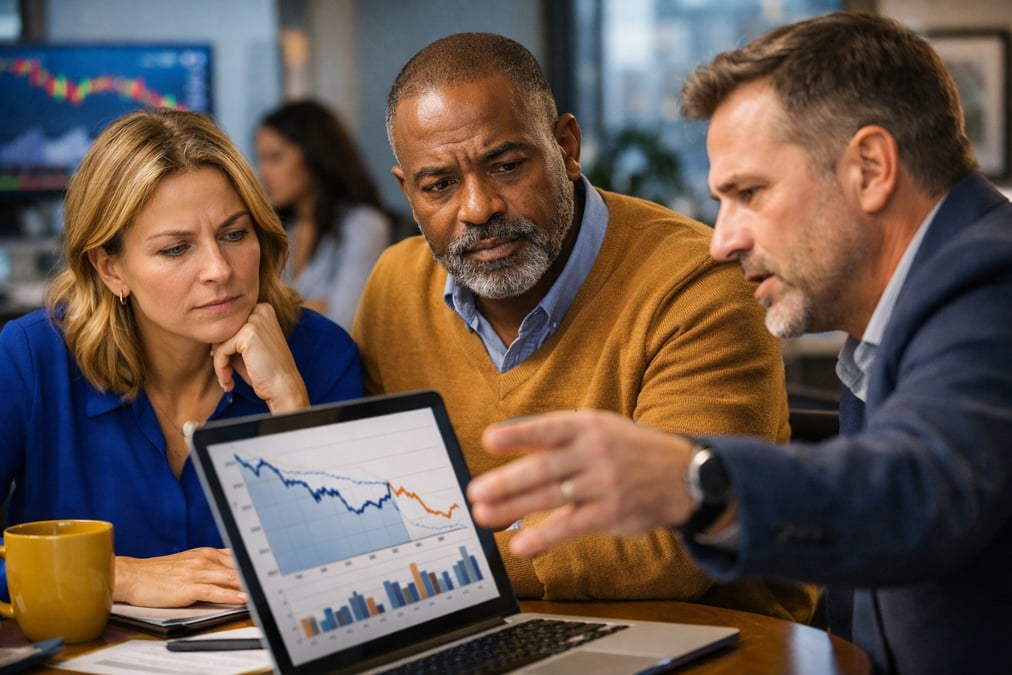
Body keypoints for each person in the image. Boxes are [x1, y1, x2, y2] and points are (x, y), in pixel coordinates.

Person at [466, 12, 1012, 675]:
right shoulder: (897, 315)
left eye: (748, 193)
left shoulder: (991, 279)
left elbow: (918, 488)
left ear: (870, 167)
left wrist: (694, 480)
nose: (722, 241)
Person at [352, 32, 818, 622]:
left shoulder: (699, 283)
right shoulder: (394, 286)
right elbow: (372, 503)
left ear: (566, 147)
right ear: (408, 193)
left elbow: (669, 542)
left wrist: (423, 568)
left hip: (715, 640)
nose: (477, 208)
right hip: (473, 628)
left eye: (506, 166)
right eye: (439, 184)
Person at [0, 108, 364, 608]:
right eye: (176, 249)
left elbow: (363, 567)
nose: (219, 270)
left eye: (234, 235)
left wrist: (290, 405)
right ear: (110, 269)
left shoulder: (321, 354)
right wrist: (117, 576)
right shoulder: (31, 360)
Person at [255, 99, 392, 329]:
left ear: (313, 155)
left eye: (275, 157)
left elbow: (343, 323)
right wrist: (313, 308)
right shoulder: (280, 232)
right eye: (261, 159)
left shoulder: (364, 225)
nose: (263, 172)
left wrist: (275, 310)